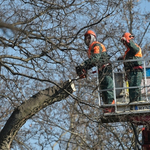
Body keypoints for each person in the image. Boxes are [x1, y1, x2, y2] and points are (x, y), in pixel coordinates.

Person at [76, 29, 114, 106]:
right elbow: (92, 63)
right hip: (101, 70)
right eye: (86, 38)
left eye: (89, 37)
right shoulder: (90, 50)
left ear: (93, 37)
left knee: (108, 87)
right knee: (103, 89)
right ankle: (107, 105)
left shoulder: (96, 45)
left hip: (106, 68)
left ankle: (111, 104)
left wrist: (84, 64)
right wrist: (84, 68)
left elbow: (96, 58)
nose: (87, 39)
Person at [118, 32, 143, 103]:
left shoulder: (135, 46)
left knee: (135, 89)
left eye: (124, 42)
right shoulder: (128, 51)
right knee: (131, 90)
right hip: (131, 72)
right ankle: (133, 103)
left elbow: (134, 49)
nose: (124, 44)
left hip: (136, 72)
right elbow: (129, 58)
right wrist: (122, 58)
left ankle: (137, 104)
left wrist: (128, 41)